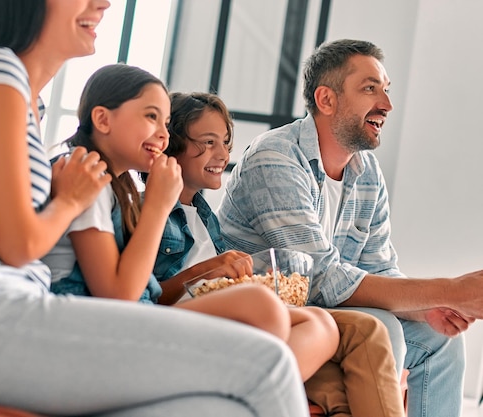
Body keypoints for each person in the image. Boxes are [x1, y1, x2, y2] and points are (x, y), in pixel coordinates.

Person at [0, 1, 311, 416]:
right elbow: (17, 243)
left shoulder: (26, 99)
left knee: (221, 407)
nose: (103, 3)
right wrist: (70, 200)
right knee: (268, 366)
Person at [216, 38, 483, 417]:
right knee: (381, 329)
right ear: (326, 100)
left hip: (329, 309)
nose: (387, 105)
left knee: (440, 340)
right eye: (370, 88)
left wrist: (426, 308)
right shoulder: (274, 158)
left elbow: (379, 269)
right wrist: (452, 290)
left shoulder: (366, 171)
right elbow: (322, 282)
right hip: (280, 313)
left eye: (386, 90)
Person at [43, 63, 338, 379]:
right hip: (103, 326)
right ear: (103, 119)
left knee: (322, 325)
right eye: (151, 116)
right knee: (262, 305)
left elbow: (137, 289)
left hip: (131, 314)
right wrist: (159, 205)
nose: (163, 134)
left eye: (166, 122)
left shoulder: (116, 188)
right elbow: (120, 297)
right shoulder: (85, 176)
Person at [153, 91, 406, 417]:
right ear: (172, 144)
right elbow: (149, 296)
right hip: (209, 326)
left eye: (225, 142)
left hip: (240, 316)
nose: (223, 154)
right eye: (208, 142)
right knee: (354, 329)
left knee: (349, 370)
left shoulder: (206, 217)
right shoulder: (151, 210)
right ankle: (238, 396)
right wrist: (213, 270)